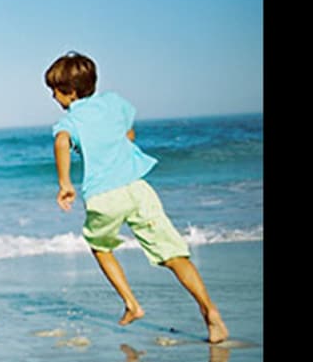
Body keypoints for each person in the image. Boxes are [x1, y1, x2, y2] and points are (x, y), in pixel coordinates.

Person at [44, 51, 228, 344]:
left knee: (99, 246)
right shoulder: (114, 102)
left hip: (105, 196)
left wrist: (65, 183)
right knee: (173, 254)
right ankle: (210, 311)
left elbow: (61, 142)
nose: (53, 96)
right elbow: (129, 133)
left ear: (71, 92)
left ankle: (132, 303)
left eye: (55, 90)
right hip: (138, 189)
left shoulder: (70, 121)